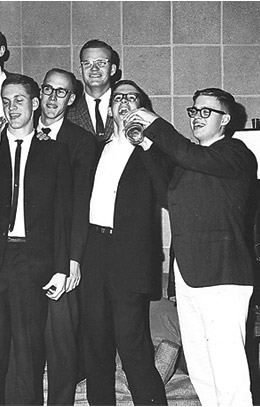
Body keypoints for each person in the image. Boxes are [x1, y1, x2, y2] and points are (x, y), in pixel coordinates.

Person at [127, 87, 256, 405]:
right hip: (189, 275)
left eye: (205, 111)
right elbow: (166, 193)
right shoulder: (190, 162)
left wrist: (155, 124)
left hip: (223, 276)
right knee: (200, 367)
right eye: (193, 111)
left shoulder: (236, 152)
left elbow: (186, 153)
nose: (197, 117)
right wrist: (145, 145)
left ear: (225, 119)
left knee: (228, 370)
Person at [0, 74, 71, 405]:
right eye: (6, 101)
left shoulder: (55, 152)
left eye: (18, 100)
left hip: (33, 263)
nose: (12, 107)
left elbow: (62, 215)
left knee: (28, 354)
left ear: (34, 103)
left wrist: (60, 267)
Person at [80, 79, 169, 405]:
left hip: (130, 259)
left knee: (133, 346)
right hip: (93, 254)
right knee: (96, 346)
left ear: (142, 108)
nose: (124, 102)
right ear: (110, 107)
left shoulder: (152, 152)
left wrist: (146, 142)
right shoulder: (94, 149)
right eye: (118, 97)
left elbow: (168, 193)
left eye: (132, 98)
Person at [35, 68, 97, 405]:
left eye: (61, 92)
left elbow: (80, 205)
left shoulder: (81, 142)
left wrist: (72, 260)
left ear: (71, 99)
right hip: (24, 257)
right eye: (48, 89)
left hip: (61, 257)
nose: (52, 97)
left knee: (61, 344)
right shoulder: (21, 132)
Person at [66, 39, 121, 140]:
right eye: (87, 63)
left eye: (101, 63)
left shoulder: (128, 106)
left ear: (112, 70)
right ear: (81, 70)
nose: (94, 68)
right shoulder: (67, 113)